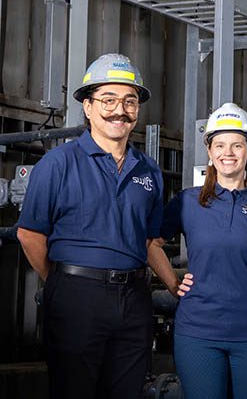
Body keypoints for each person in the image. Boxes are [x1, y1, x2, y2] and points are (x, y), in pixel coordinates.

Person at [15, 53, 163, 399]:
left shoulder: (149, 170)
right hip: (75, 295)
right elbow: (29, 234)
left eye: (129, 101)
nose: (119, 110)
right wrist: (61, 281)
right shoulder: (57, 164)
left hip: (134, 298)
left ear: (138, 110)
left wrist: (171, 283)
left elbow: (149, 241)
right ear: (88, 106)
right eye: (108, 100)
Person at [148, 102, 247, 399]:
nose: (228, 153)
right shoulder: (188, 201)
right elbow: (150, 244)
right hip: (198, 333)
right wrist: (172, 281)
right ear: (210, 153)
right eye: (220, 145)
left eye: (237, 145)